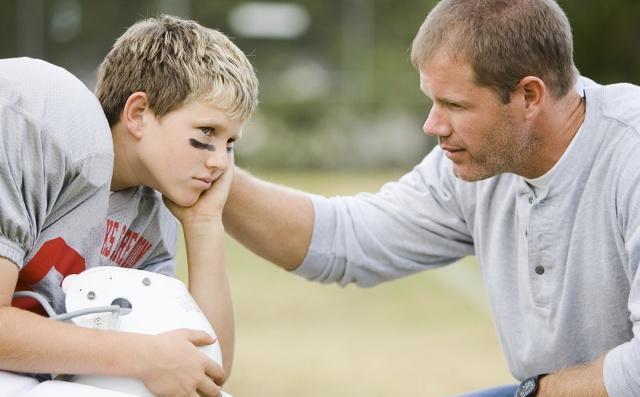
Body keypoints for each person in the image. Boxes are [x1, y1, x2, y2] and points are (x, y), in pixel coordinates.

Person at [222, 1, 640, 396]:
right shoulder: (474, 163)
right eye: (432, 101)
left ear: (529, 96)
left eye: (454, 104)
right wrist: (210, 171)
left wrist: (535, 391)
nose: (432, 124)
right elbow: (346, 240)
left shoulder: (631, 154)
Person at [3, 15, 258, 397]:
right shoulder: (48, 122)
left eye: (230, 144)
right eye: (207, 132)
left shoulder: (151, 209)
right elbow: (149, 358)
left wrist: (204, 225)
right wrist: (140, 355)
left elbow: (204, 370)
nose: (221, 162)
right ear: (138, 114)